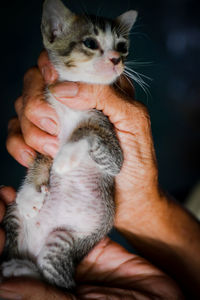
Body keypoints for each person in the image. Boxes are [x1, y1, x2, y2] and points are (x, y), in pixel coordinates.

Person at [1, 50, 200, 299]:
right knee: (18, 219)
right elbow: (43, 162)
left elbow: (114, 164)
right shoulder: (60, 99)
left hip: (78, 213)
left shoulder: (98, 114)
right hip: (59, 211)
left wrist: (86, 142)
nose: (113, 56)